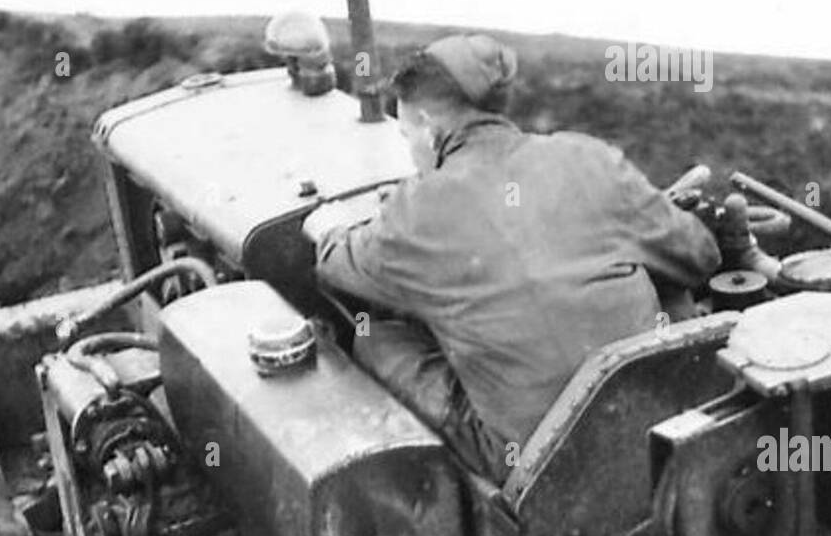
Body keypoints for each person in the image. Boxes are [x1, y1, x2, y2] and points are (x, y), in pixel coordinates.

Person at [306, 34, 721, 483]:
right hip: (655, 413)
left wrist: (326, 225)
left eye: (407, 135)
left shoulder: (417, 209)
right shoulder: (587, 156)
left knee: (375, 339)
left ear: (427, 125)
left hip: (536, 466)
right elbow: (700, 256)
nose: (412, 150)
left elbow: (334, 264)